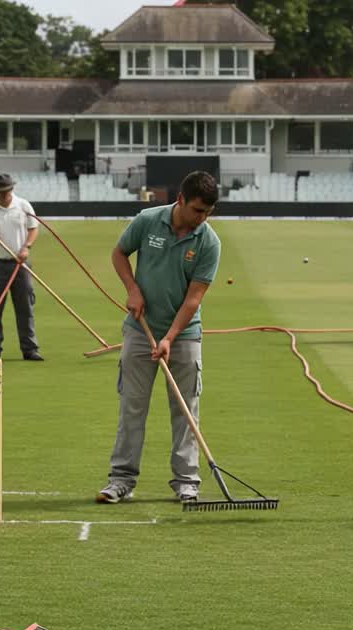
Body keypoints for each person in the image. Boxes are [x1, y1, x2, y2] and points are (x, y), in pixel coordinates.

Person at [98, 171, 221, 504]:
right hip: (139, 331)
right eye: (198, 210)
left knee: (185, 410)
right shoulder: (147, 221)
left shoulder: (209, 242)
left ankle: (186, 482)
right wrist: (132, 289)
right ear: (180, 200)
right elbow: (119, 253)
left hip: (184, 335)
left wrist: (170, 337)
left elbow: (194, 298)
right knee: (132, 407)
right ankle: (121, 480)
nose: (202, 218)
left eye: (208, 213)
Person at [0, 173, 42, 360]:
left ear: (11, 189)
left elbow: (34, 228)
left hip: (20, 264)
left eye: (3, 192)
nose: (0, 196)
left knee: (25, 306)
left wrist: (26, 247)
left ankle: (30, 349)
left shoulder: (23, 206)